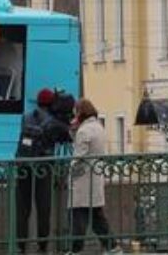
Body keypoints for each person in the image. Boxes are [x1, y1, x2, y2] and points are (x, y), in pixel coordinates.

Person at [15, 88, 73, 253]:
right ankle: (43, 246)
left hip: (23, 165)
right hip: (44, 167)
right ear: (51, 103)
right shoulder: (54, 122)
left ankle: (20, 246)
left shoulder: (26, 117)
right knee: (43, 208)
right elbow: (67, 138)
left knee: (22, 209)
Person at [67, 99, 120, 255]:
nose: (74, 115)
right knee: (97, 217)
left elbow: (79, 156)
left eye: (75, 112)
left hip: (82, 180)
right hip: (95, 177)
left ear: (80, 112)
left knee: (78, 217)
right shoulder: (98, 127)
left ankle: (75, 250)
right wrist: (73, 130)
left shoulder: (84, 131)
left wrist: (70, 173)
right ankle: (112, 247)